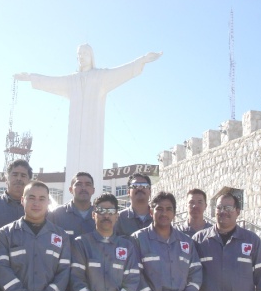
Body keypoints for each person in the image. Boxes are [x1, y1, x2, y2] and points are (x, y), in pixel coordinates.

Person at [14, 44, 162, 198]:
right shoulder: (72, 80)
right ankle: (70, 199)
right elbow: (51, 81)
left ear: (92, 56)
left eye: (85, 53)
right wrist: (31, 77)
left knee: (92, 166)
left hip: (92, 135)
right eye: (79, 54)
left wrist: (141, 61)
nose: (81, 56)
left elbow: (121, 71)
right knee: (73, 169)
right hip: (74, 138)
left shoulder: (100, 77)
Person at [0, 181, 71, 291]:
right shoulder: (5, 234)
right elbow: (2, 271)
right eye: (31, 198)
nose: (36, 203)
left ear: (48, 202)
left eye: (42, 199)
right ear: (23, 200)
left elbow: (63, 275)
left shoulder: (61, 237)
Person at [131, 191, 202, 291]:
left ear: (174, 213)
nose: (164, 213)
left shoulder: (186, 242)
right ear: (151, 212)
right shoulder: (138, 239)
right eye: (159, 209)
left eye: (169, 209)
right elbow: (133, 277)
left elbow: (196, 277)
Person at [69, 193, 139, 291]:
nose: (106, 215)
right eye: (101, 211)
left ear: (117, 216)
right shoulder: (81, 243)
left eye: (111, 211)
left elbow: (132, 282)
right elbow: (77, 281)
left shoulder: (127, 247)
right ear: (94, 215)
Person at [48, 171, 96, 291]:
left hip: (92, 289)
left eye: (87, 184)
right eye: (79, 184)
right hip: (63, 289)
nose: (83, 188)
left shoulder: (101, 216)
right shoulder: (56, 216)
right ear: (70, 189)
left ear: (93, 190)